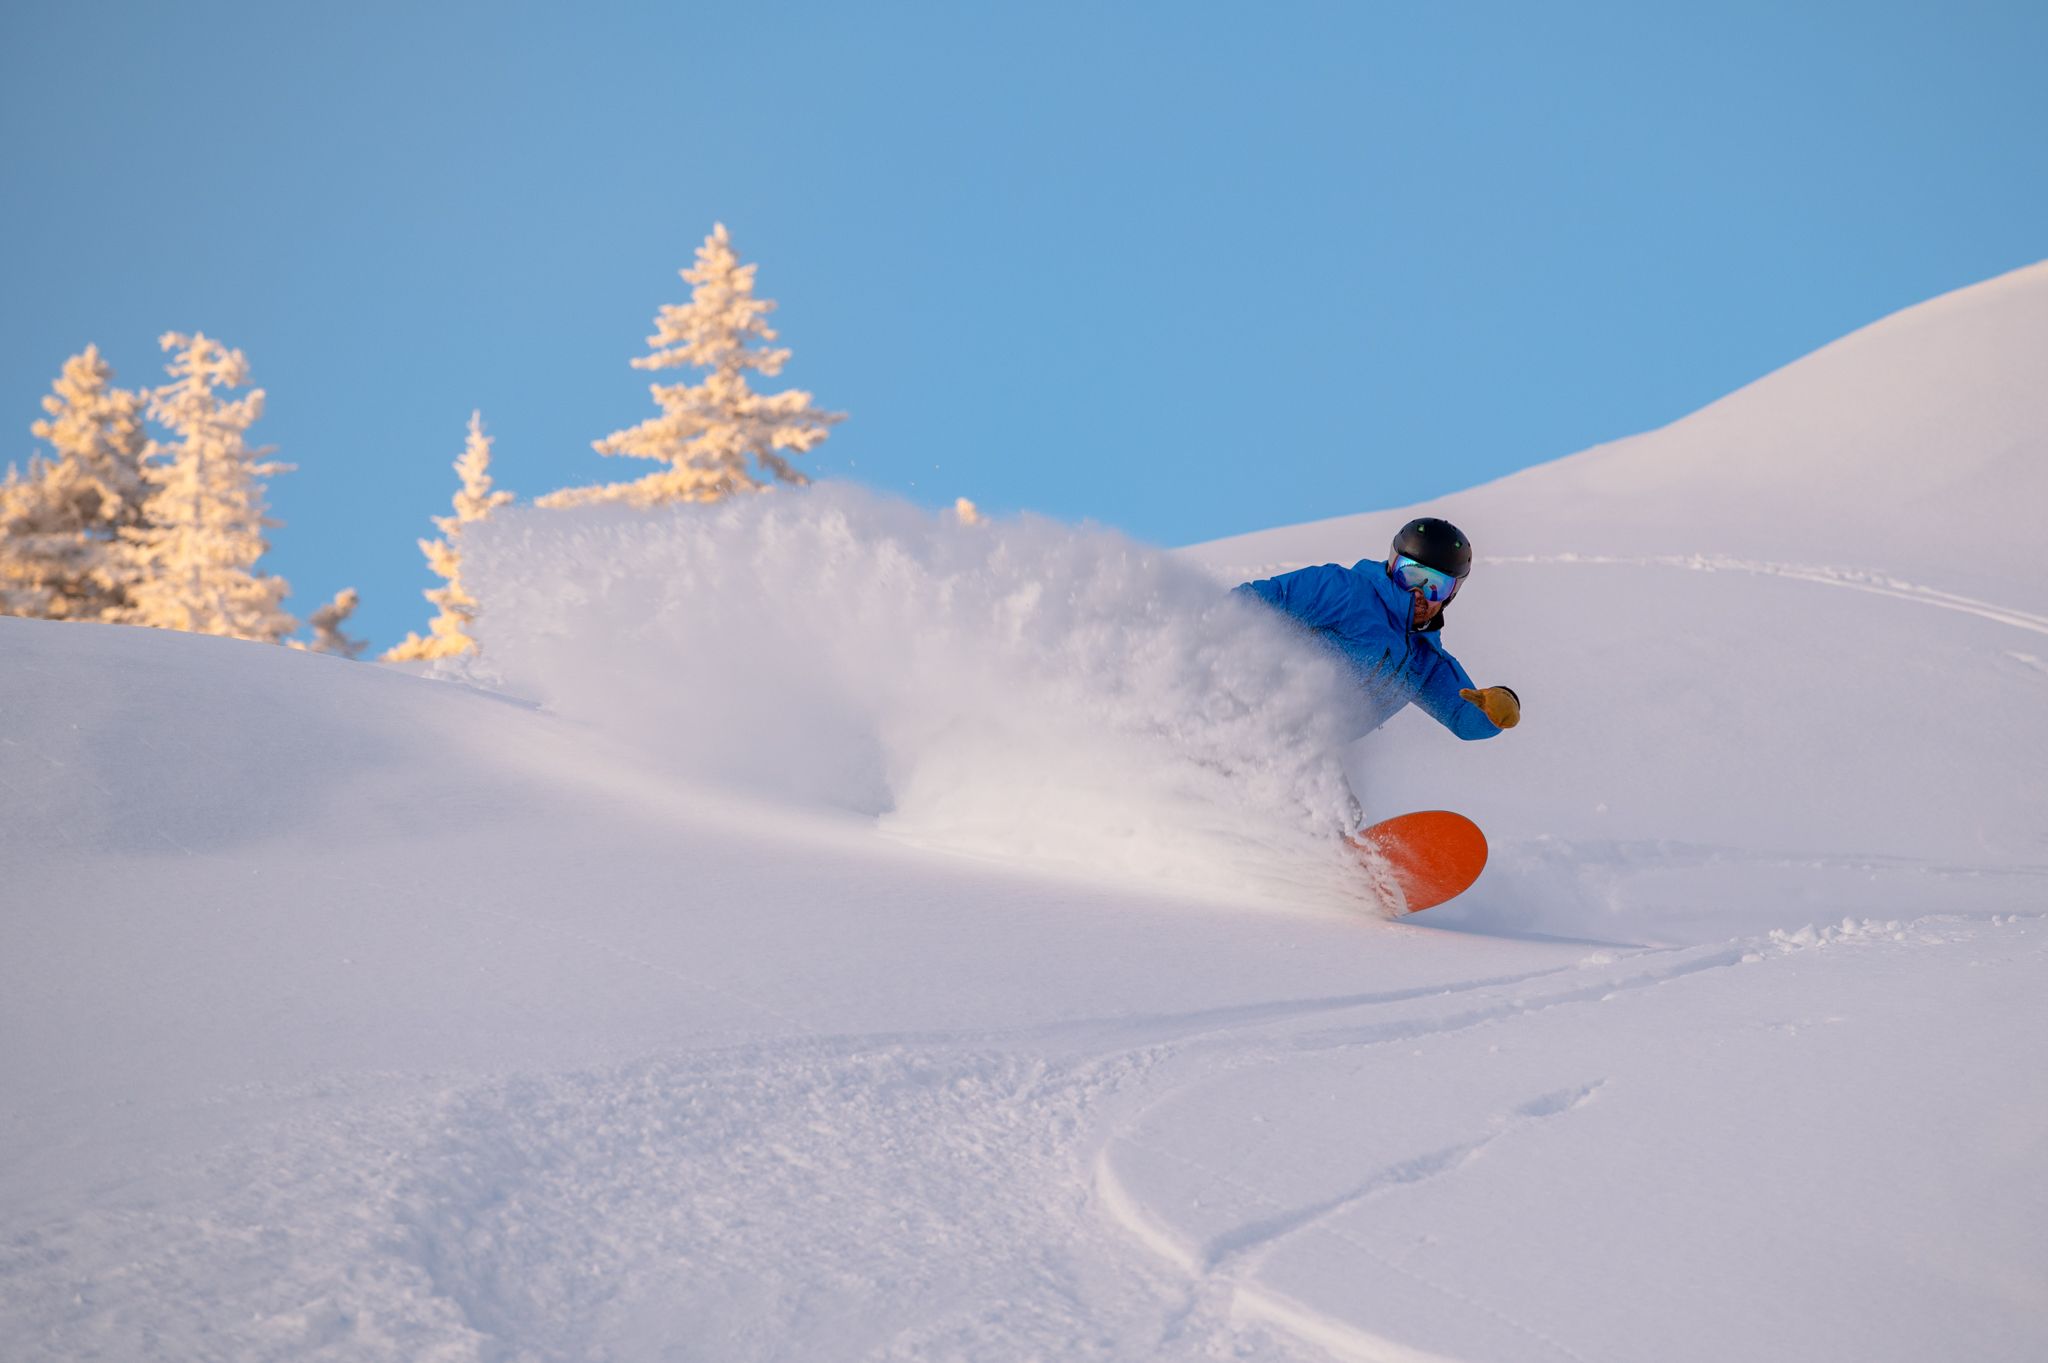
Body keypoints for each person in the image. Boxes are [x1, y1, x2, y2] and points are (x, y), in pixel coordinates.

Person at [1236, 516, 1520, 742]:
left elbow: (1462, 717)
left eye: (1435, 585)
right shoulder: (1344, 591)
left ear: (1451, 594)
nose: (1419, 592)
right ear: (1392, 565)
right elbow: (1259, 601)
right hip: (1249, 712)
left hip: (1307, 750)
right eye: (1410, 575)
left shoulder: (1424, 662)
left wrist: (1492, 711)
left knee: (1335, 808)